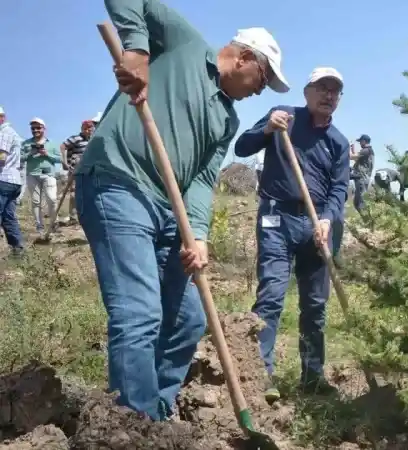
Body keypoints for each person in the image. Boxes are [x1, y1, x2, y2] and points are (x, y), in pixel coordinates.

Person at [75, 0, 290, 421]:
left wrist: (200, 234)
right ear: (244, 56)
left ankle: (153, 410)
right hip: (117, 182)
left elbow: (202, 181)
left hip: (167, 208)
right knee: (139, 313)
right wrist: (136, 50)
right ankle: (134, 427)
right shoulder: (186, 45)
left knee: (189, 318)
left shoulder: (226, 119)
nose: (259, 91)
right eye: (262, 79)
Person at [233, 67, 349, 402]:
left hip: (316, 226)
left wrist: (327, 220)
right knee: (271, 295)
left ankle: (312, 377)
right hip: (277, 217)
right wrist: (268, 129)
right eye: (322, 88)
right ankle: (260, 375)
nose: (328, 95)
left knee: (315, 304)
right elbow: (242, 147)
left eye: (335, 91)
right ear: (307, 92)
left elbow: (339, 188)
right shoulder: (283, 118)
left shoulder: (338, 143)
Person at [21, 118, 61, 236]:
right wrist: (30, 153)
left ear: (44, 128)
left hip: (48, 174)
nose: (35, 130)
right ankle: (39, 225)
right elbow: (19, 158)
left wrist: (47, 154)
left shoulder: (52, 143)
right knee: (35, 201)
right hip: (32, 175)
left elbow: (60, 159)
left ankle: (54, 223)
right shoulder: (26, 143)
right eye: (33, 128)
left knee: (52, 199)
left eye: (38, 128)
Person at [60, 118, 98, 225]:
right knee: (73, 194)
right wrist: (64, 162)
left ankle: (86, 215)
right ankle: (73, 217)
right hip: (75, 170)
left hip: (89, 171)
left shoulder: (93, 140)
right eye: (85, 128)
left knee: (88, 193)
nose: (88, 130)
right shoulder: (76, 138)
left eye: (90, 128)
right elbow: (63, 146)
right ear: (82, 129)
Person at [0, 106, 25, 254]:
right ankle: (17, 249)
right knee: (9, 216)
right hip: (14, 181)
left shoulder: (3, 133)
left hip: (3, 179)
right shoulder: (13, 133)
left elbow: (1, 157)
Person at [349, 134, 374, 213]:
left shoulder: (366, 150)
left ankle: (368, 221)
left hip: (361, 178)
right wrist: (352, 148)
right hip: (362, 178)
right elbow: (357, 160)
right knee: (357, 203)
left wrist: (347, 148)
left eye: (360, 141)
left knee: (361, 203)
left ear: (364, 141)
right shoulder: (368, 151)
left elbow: (352, 157)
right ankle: (366, 220)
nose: (360, 143)